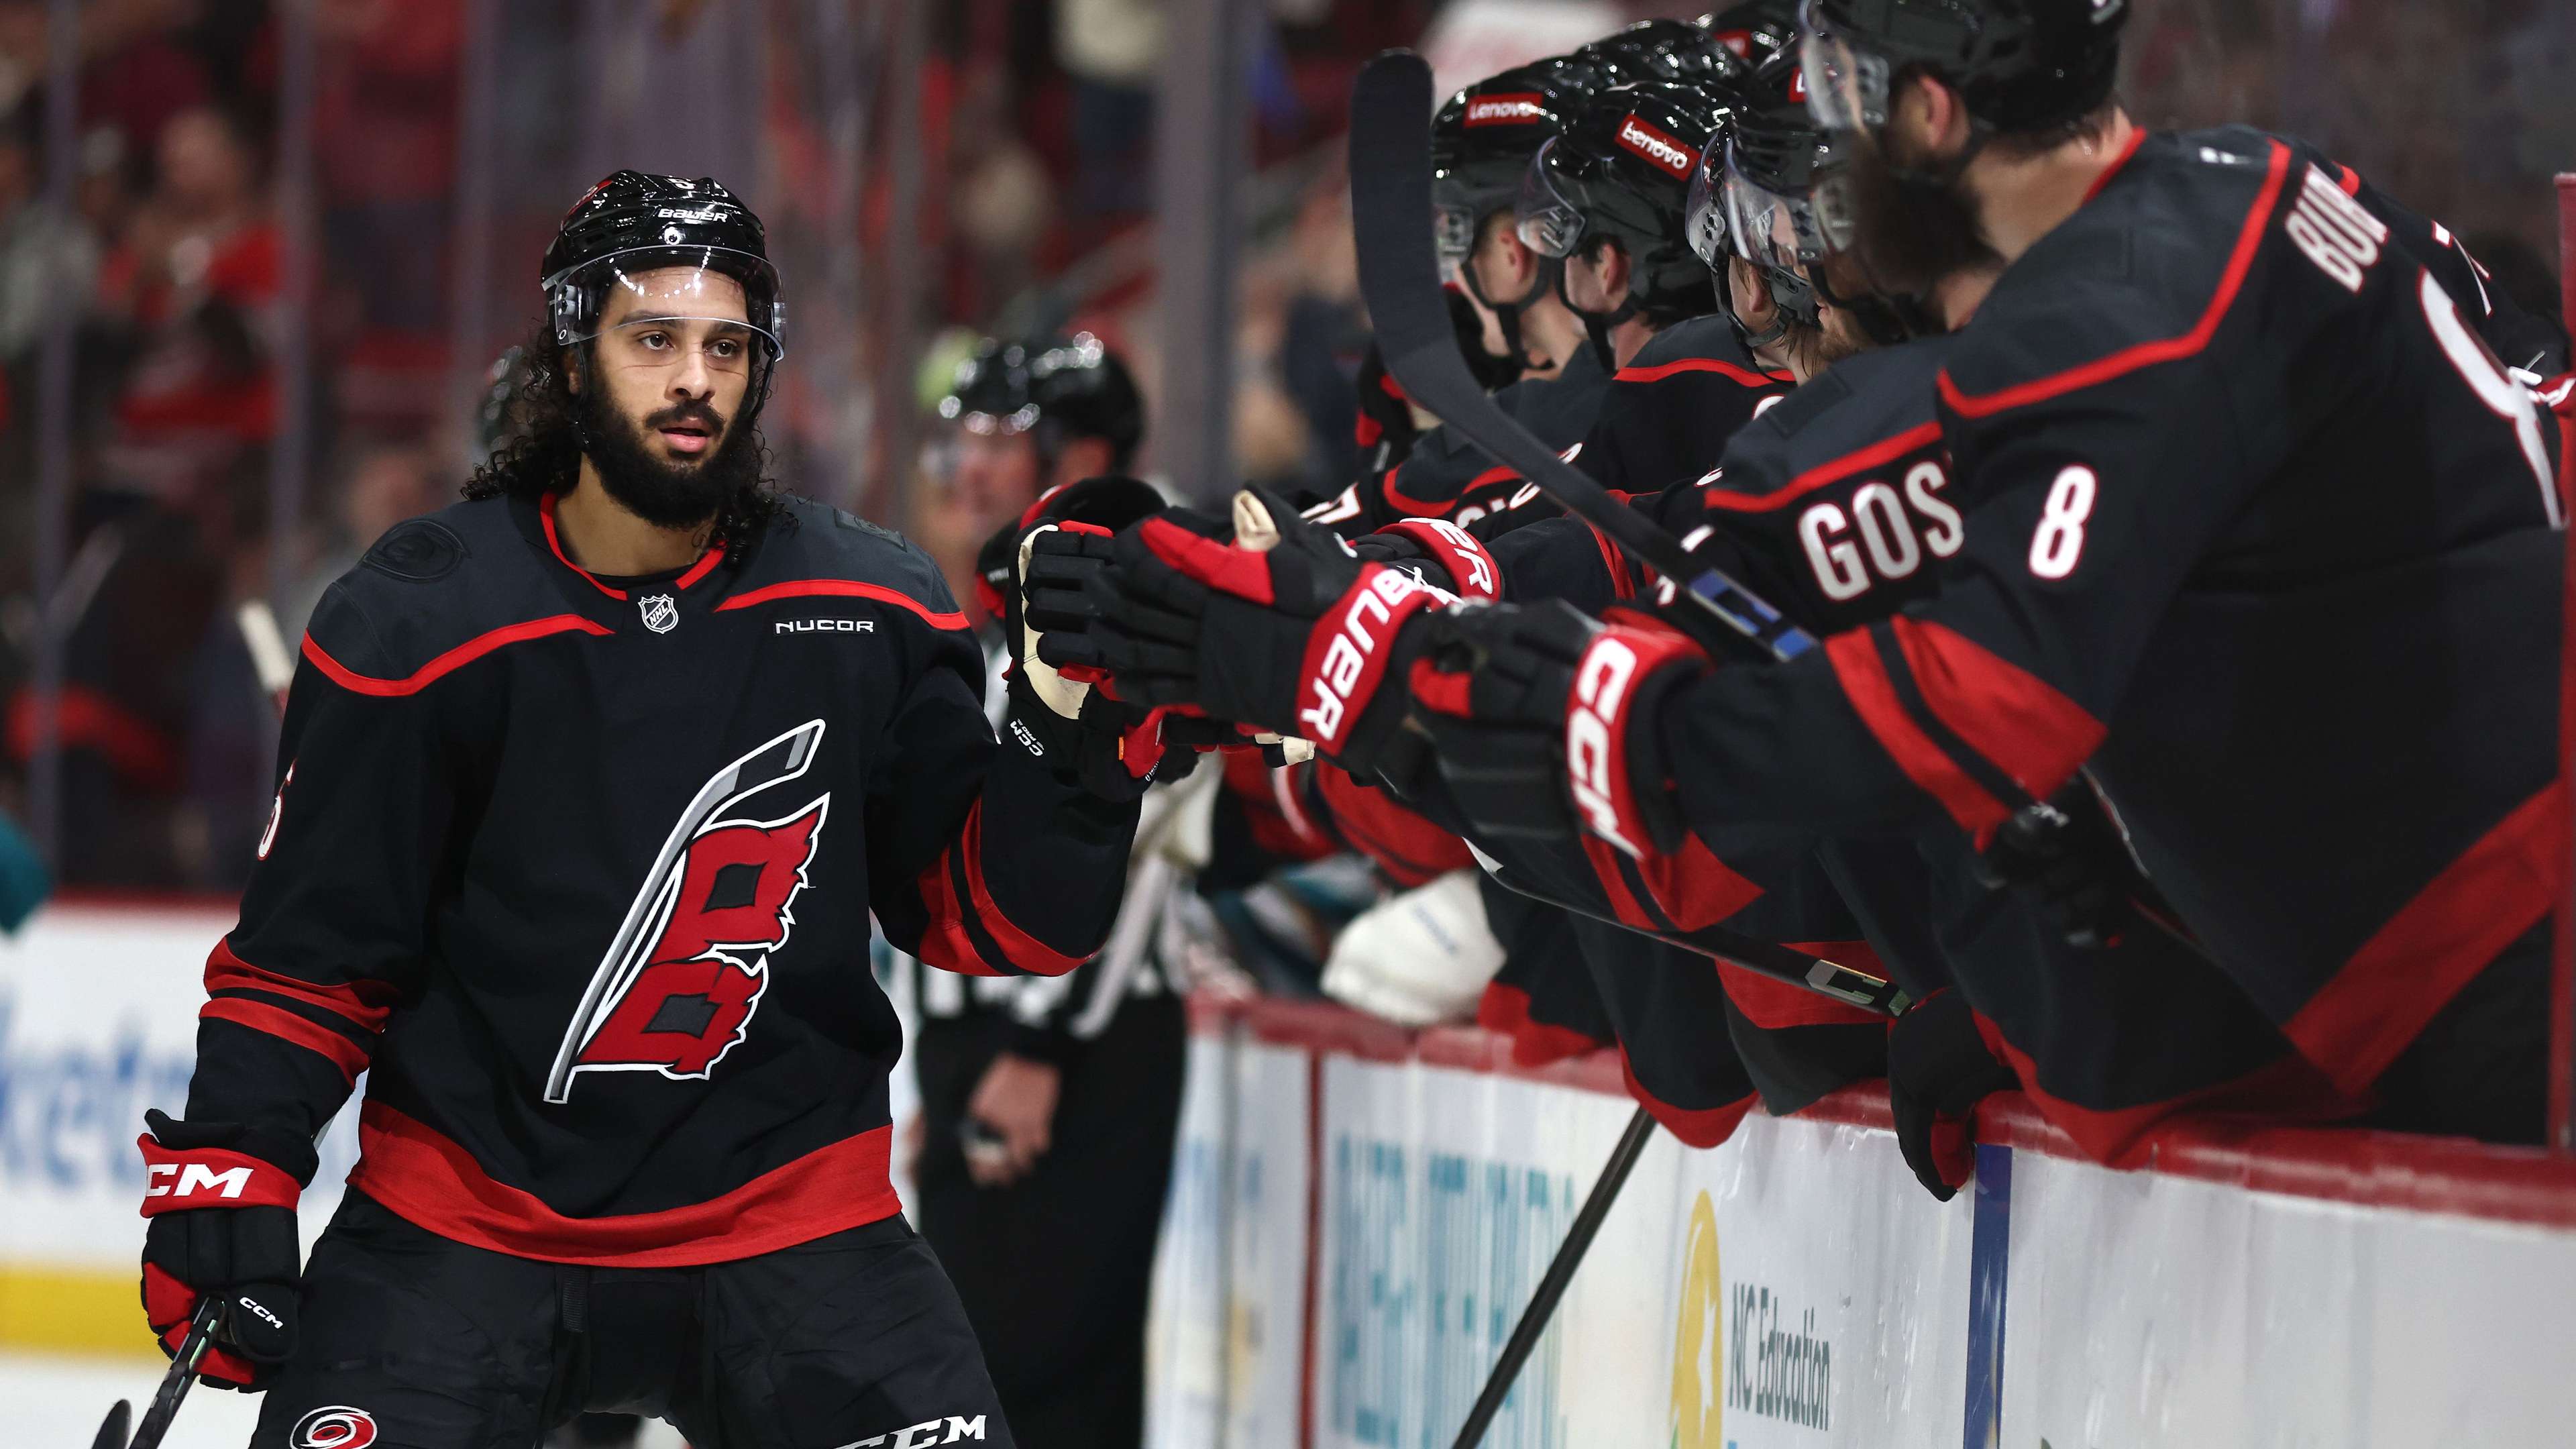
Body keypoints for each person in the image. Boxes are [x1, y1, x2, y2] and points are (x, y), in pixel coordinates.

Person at [135, 170, 1155, 1448]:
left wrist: (1069, 739)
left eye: (727, 347)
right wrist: (236, 1160)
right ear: (572, 357)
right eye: (654, 340)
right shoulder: (418, 620)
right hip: (463, 1228)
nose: (694, 381)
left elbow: (997, 925)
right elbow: (313, 954)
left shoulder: (874, 607)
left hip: (795, 1225)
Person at [906, 333, 1191, 1449]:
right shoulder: (1007, 603)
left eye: (1002, 442)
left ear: (1073, 458)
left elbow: (1146, 835)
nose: (968, 469)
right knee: (977, 1375)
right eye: (961, 443)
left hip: (1071, 1041)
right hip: (992, 1035)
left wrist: (1040, 1045)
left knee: (1045, 1381)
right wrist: (945, 1058)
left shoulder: (1131, 588)